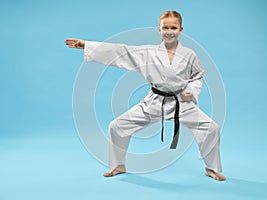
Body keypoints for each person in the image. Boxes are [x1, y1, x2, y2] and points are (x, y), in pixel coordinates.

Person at [65, 10, 226, 181]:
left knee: (211, 129)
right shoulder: (148, 52)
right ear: (159, 29)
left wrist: (191, 91)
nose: (169, 31)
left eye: (173, 27)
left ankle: (212, 168)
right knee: (117, 127)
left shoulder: (189, 54)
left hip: (181, 102)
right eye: (165, 27)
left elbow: (198, 75)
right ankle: (118, 165)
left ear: (180, 29)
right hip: (155, 102)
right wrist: (86, 45)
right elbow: (121, 51)